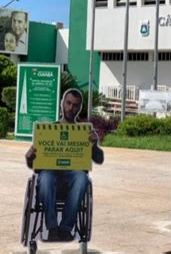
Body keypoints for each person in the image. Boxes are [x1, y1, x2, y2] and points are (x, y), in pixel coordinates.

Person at [24, 88, 104, 242]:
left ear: (79, 108)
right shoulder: (47, 131)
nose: (70, 108)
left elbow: (99, 159)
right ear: (62, 104)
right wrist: (29, 157)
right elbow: (35, 165)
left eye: (75, 105)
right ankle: (52, 228)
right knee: (45, 178)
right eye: (68, 103)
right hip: (50, 175)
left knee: (82, 178)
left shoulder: (84, 132)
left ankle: (66, 228)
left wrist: (93, 145)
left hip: (73, 178)